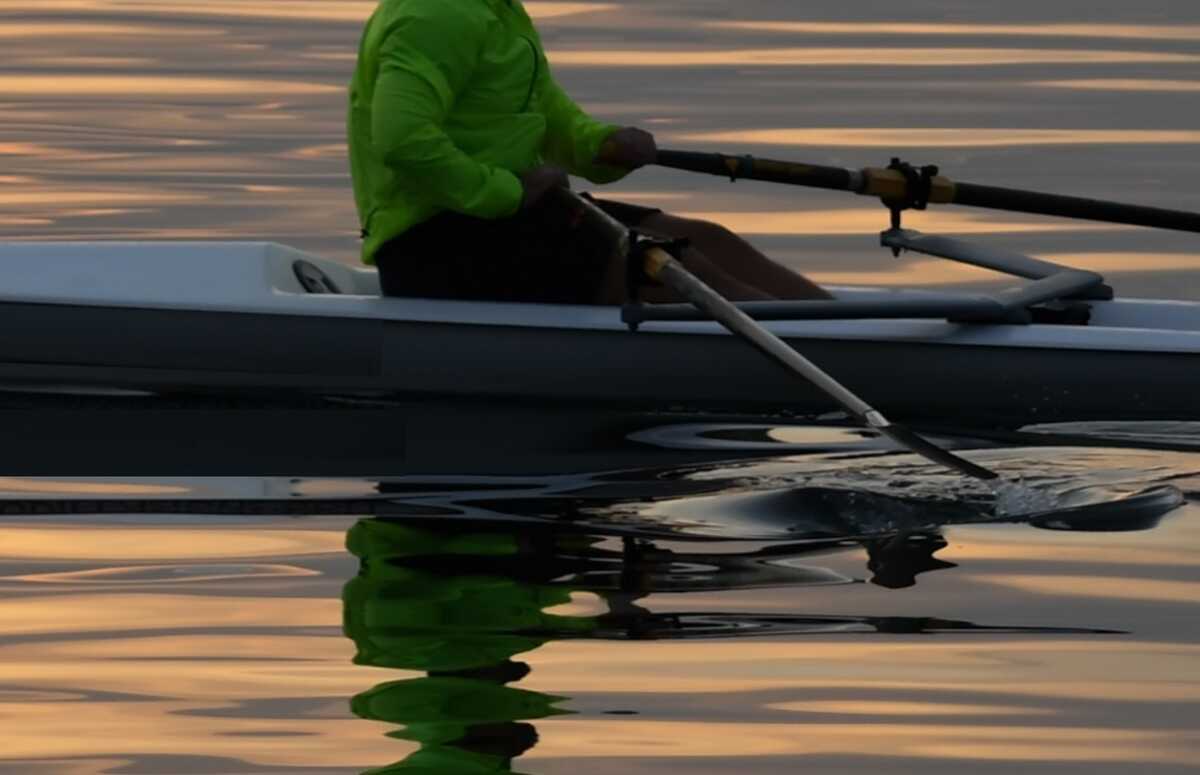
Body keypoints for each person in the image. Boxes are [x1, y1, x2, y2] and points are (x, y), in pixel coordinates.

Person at [348, 0, 831, 304]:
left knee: (710, 240)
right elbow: (402, 140)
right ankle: (838, 359)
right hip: (440, 244)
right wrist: (511, 192)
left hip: (511, 217)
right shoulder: (436, 15)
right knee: (688, 273)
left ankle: (859, 335)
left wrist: (604, 144)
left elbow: (551, 120)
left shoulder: (498, 12)